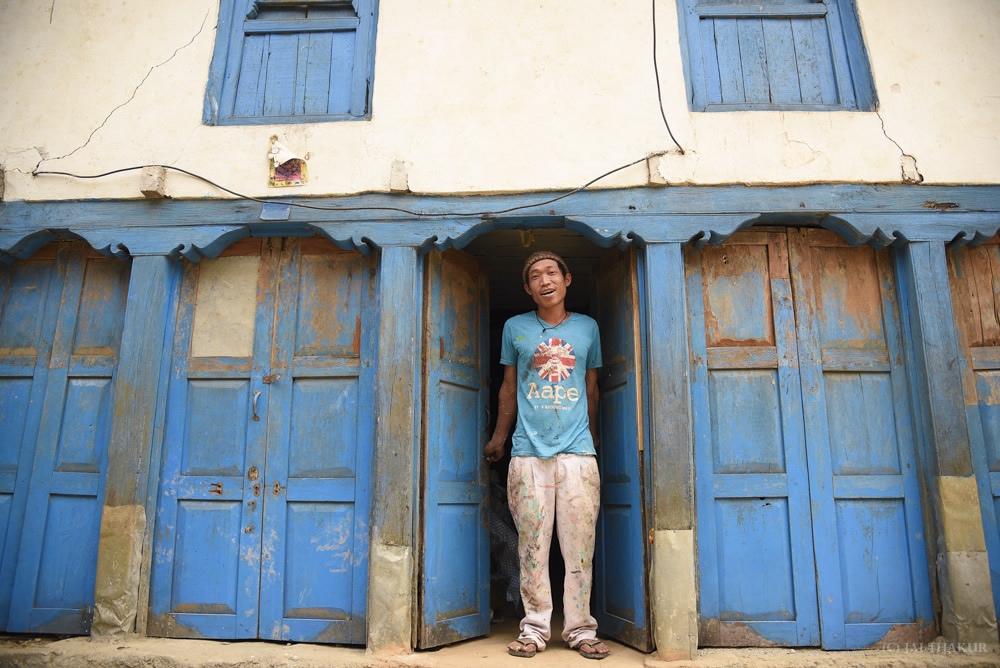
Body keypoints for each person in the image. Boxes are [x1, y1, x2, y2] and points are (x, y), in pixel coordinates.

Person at [484, 251, 610, 660]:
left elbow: (591, 390)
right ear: (527, 287)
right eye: (535, 276)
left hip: (577, 455)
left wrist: (592, 443)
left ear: (567, 279)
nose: (544, 280)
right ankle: (534, 629)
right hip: (527, 454)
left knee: (579, 548)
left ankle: (580, 630)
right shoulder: (515, 328)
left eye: (551, 273)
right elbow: (508, 387)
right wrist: (499, 438)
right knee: (532, 546)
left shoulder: (587, 328)